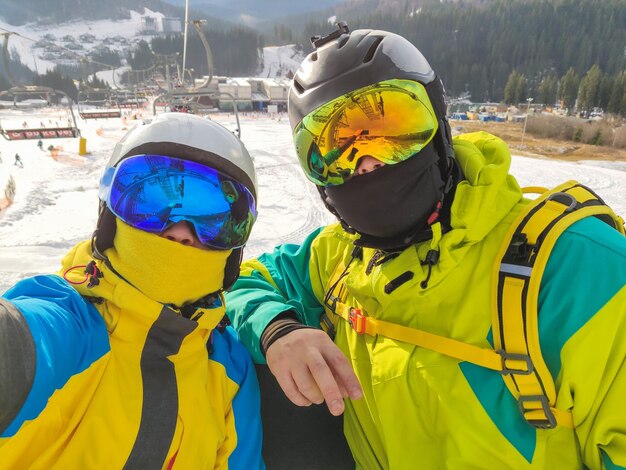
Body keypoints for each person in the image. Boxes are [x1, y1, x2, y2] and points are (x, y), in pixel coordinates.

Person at [225, 24, 626, 469]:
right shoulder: (337, 257)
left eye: (391, 129)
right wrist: (278, 329)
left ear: (438, 128)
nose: (368, 162)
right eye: (335, 148)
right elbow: (247, 279)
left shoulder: (579, 268)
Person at [0, 113, 264, 468]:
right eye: (151, 207)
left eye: (214, 222)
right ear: (109, 217)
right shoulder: (70, 322)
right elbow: (20, 346)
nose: (181, 233)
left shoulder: (229, 368)